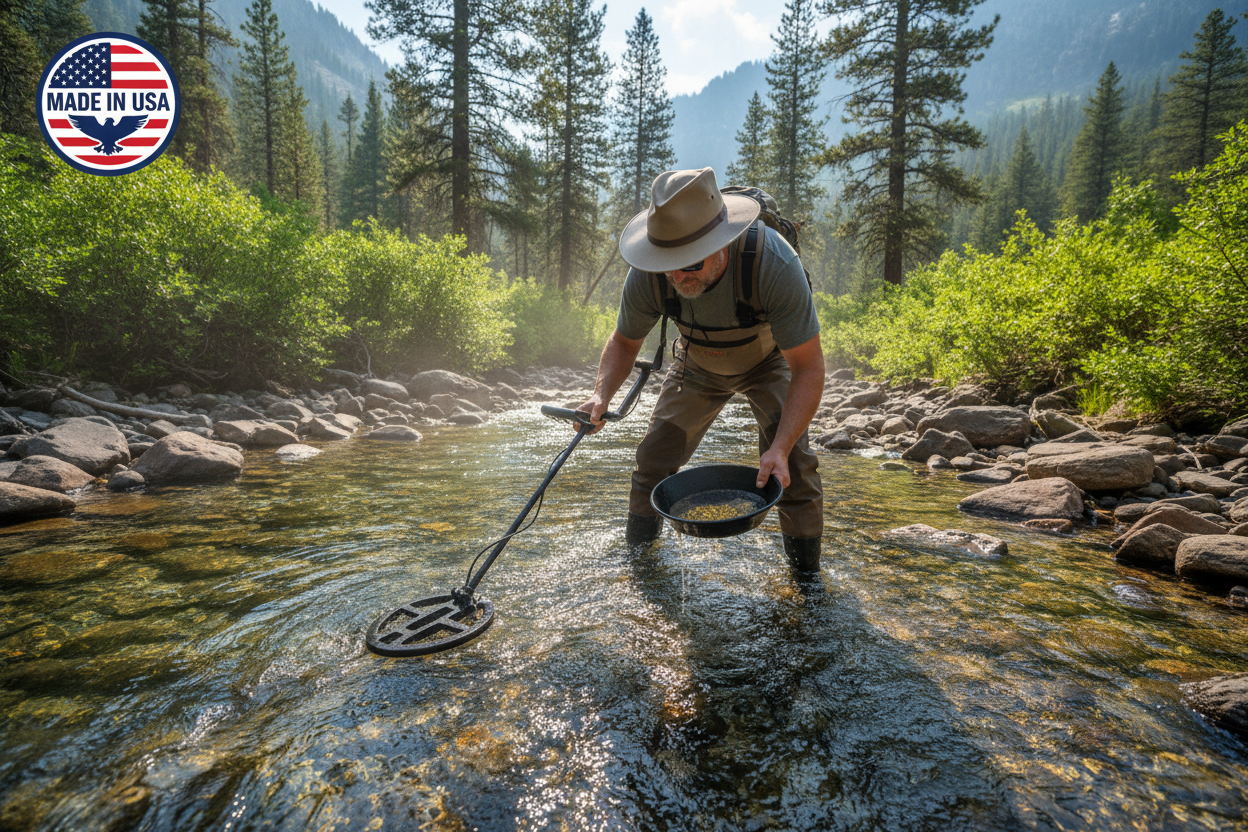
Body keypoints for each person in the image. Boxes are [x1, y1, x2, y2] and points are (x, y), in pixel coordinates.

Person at [576, 167, 825, 571]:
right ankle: (641, 571)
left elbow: (810, 368)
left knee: (791, 466)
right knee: (652, 462)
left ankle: (807, 586)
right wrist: (600, 394)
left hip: (769, 365)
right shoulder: (650, 273)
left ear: (722, 244)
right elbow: (624, 341)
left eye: (690, 264)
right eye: (666, 263)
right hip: (696, 365)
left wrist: (778, 447)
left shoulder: (775, 263)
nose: (675, 275)